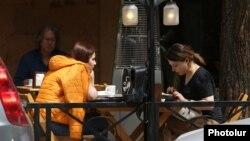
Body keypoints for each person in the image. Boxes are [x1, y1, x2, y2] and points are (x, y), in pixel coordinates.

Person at [35, 41, 108, 140]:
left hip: (40, 121)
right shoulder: (78, 69)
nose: (95, 63)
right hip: (52, 125)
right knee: (102, 122)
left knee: (95, 117)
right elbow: (83, 100)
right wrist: (91, 79)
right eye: (93, 59)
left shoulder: (61, 66)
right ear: (85, 60)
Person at [161, 43, 222, 141]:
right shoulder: (184, 74)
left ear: (187, 60)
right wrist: (172, 94)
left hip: (209, 122)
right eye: (171, 66)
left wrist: (185, 101)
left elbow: (209, 104)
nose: (173, 69)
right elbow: (186, 98)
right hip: (196, 118)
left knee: (166, 124)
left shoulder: (201, 75)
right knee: (165, 124)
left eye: (175, 65)